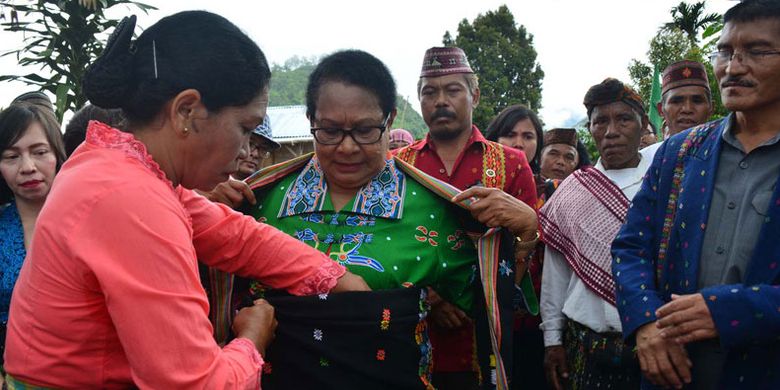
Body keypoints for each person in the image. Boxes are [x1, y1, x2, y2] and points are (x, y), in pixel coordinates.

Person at [3, 12, 368, 389]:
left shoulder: (119, 168)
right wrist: (252, 339)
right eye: (244, 128)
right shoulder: (130, 199)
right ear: (186, 111)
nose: (246, 148)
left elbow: (233, 235)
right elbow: (195, 385)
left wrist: (334, 276)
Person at [235, 49, 498, 388]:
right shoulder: (262, 200)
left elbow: (490, 295)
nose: (346, 147)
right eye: (329, 131)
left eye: (364, 131)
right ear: (311, 119)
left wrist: (522, 239)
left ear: (389, 120)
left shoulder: (433, 208)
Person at [612, 1, 780, 388]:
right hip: (673, 373)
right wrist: (646, 322)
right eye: (724, 51)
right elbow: (630, 247)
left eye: (757, 52)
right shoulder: (682, 151)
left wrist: (730, 310)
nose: (733, 67)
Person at [396, 46, 539, 390]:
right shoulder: (397, 166)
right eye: (429, 92)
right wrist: (434, 298)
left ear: (474, 95)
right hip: (409, 340)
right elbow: (386, 246)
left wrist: (530, 228)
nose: (440, 100)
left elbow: (527, 262)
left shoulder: (512, 164)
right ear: (419, 100)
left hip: (484, 342)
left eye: (453, 90)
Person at [540, 78, 651, 390]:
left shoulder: (663, 182)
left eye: (624, 119)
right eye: (601, 121)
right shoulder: (571, 191)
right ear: (590, 129)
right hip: (585, 343)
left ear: (642, 125)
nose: (611, 131)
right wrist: (552, 340)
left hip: (652, 342)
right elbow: (556, 272)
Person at [484, 103, 549, 389]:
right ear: (494, 138)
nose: (519, 142)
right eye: (510, 134)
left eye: (528, 135)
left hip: (536, 318)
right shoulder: (481, 186)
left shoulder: (553, 190)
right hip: (485, 309)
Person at [0, 103, 65, 373]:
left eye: (39, 152)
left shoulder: (89, 221)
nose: (27, 167)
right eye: (11, 156)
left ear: (58, 155)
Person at [656, 60, 714, 139]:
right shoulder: (652, 151)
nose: (687, 109)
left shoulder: (728, 150)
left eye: (697, 101)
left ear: (711, 108)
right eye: (676, 102)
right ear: (661, 110)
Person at [485, 104, 544, 173]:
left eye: (528, 137)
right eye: (510, 136)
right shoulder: (475, 178)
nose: (518, 144)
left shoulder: (550, 183)